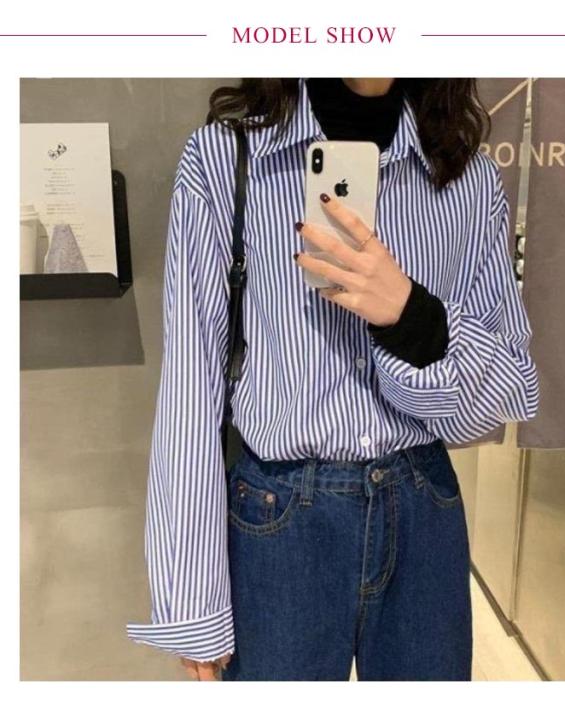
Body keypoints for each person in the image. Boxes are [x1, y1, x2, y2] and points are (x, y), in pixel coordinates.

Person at [126, 78, 539, 681]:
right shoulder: (228, 158)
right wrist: (192, 598)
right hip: (281, 516)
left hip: (422, 504)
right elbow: (191, 383)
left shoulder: (465, 176)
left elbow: (503, 386)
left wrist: (410, 316)